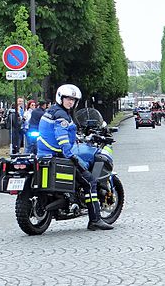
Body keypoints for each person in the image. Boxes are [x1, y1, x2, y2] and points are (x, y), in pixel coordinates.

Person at [38, 84, 113, 231]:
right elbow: (61, 136)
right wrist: (70, 155)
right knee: (90, 181)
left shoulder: (51, 111)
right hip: (59, 154)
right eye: (67, 99)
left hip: (44, 153)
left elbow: (57, 133)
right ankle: (95, 220)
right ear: (61, 98)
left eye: (73, 100)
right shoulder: (62, 115)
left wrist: (75, 138)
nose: (70, 102)